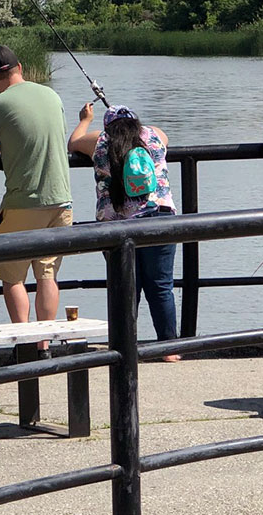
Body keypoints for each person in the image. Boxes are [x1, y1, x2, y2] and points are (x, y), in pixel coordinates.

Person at [0, 45, 72, 359]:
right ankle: (44, 346)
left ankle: (25, 345)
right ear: (20, 67)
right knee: (47, 275)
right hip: (61, 201)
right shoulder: (52, 97)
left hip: (22, 202)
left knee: (12, 276)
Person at [68, 103, 181, 361]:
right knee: (161, 286)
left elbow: (73, 143)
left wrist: (85, 120)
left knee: (125, 287)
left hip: (117, 225)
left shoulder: (100, 141)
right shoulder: (153, 134)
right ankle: (169, 349)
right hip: (159, 218)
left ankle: (124, 347)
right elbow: (165, 137)